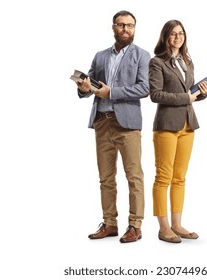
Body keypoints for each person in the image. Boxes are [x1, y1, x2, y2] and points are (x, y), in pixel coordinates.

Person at [75, 10, 150, 243]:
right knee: (106, 178)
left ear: (134, 28)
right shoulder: (100, 56)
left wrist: (113, 92)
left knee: (134, 176)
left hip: (127, 124)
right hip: (102, 122)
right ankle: (109, 223)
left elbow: (144, 89)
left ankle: (135, 226)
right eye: (121, 25)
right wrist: (84, 88)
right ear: (113, 27)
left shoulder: (143, 56)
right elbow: (88, 84)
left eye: (130, 25)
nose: (126, 29)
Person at [149, 20, 207, 243]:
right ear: (165, 37)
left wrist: (203, 92)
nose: (178, 37)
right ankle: (164, 228)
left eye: (181, 33)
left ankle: (177, 225)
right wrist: (186, 98)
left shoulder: (187, 61)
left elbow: (190, 93)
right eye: (173, 34)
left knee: (179, 178)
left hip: (188, 125)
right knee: (163, 178)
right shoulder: (157, 62)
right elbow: (155, 95)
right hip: (167, 126)